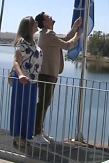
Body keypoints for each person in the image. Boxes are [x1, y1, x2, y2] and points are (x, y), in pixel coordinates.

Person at [33, 12, 82, 144]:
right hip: (47, 73)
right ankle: (36, 133)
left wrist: (74, 27)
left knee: (45, 102)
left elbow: (65, 38)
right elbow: (66, 45)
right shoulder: (48, 34)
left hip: (49, 73)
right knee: (43, 102)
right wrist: (77, 38)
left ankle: (39, 130)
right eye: (48, 17)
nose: (51, 17)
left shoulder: (48, 34)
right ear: (44, 22)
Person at [9, 16, 42, 148]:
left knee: (29, 109)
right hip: (23, 80)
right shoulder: (21, 43)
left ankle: (26, 136)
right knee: (19, 107)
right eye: (34, 23)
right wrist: (21, 75)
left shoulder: (34, 42)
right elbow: (16, 61)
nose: (37, 24)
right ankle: (17, 136)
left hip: (33, 81)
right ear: (28, 27)